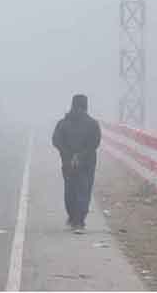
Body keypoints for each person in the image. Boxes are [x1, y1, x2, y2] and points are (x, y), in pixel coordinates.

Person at [52, 94, 101, 233]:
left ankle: (72, 217)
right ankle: (79, 221)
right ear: (86, 105)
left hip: (67, 163)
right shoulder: (92, 123)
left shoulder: (63, 122)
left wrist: (68, 155)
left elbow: (56, 140)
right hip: (87, 163)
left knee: (70, 190)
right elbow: (95, 143)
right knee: (84, 191)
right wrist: (80, 156)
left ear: (72, 104)